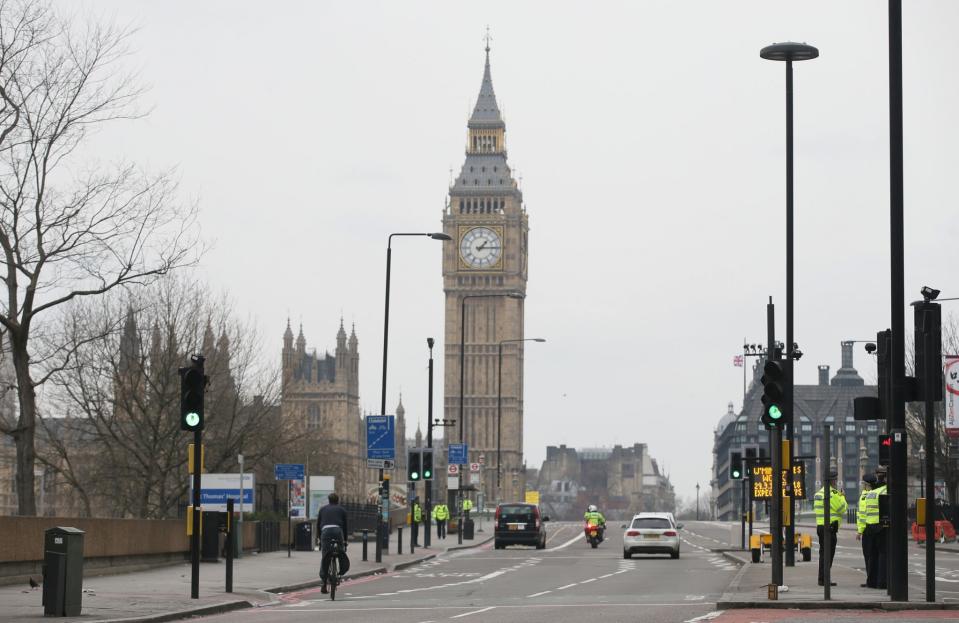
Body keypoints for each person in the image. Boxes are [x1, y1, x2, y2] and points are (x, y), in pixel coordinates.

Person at [814, 470, 847, 586]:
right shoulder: (833, 494)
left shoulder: (818, 494)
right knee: (828, 554)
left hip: (820, 527)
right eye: (835, 479)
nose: (836, 482)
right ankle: (825, 579)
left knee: (823, 554)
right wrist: (842, 497)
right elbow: (842, 509)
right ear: (833, 480)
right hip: (830, 528)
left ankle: (822, 578)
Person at [318, 492, 349, 594]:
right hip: (337, 531)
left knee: (325, 556)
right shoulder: (342, 510)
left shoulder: (322, 509)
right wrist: (345, 541)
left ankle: (323, 583)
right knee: (340, 552)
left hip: (325, 532)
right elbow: (345, 527)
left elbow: (319, 525)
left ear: (329, 500)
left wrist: (319, 539)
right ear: (337, 500)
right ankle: (340, 571)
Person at [868, 466, 888, 589]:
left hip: (870, 526)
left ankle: (872, 581)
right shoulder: (885, 490)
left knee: (873, 555)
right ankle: (882, 582)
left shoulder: (871, 493)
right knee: (883, 554)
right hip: (881, 527)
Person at [857, 473, 878, 587]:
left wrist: (860, 531)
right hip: (873, 528)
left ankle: (870, 580)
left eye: (863, 483)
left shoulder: (865, 497)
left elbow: (862, 516)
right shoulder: (874, 494)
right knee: (872, 556)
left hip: (867, 530)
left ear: (866, 485)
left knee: (869, 556)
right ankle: (872, 579)